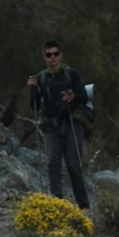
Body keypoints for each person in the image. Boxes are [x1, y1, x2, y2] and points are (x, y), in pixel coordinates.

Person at [25, 39, 94, 208]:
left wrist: (73, 97)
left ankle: (84, 206)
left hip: (72, 123)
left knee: (73, 165)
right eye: (49, 55)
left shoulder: (71, 74)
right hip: (51, 125)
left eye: (55, 54)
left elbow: (84, 96)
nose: (52, 57)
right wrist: (32, 89)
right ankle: (57, 205)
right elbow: (35, 106)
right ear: (45, 57)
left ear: (60, 55)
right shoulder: (41, 77)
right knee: (52, 163)